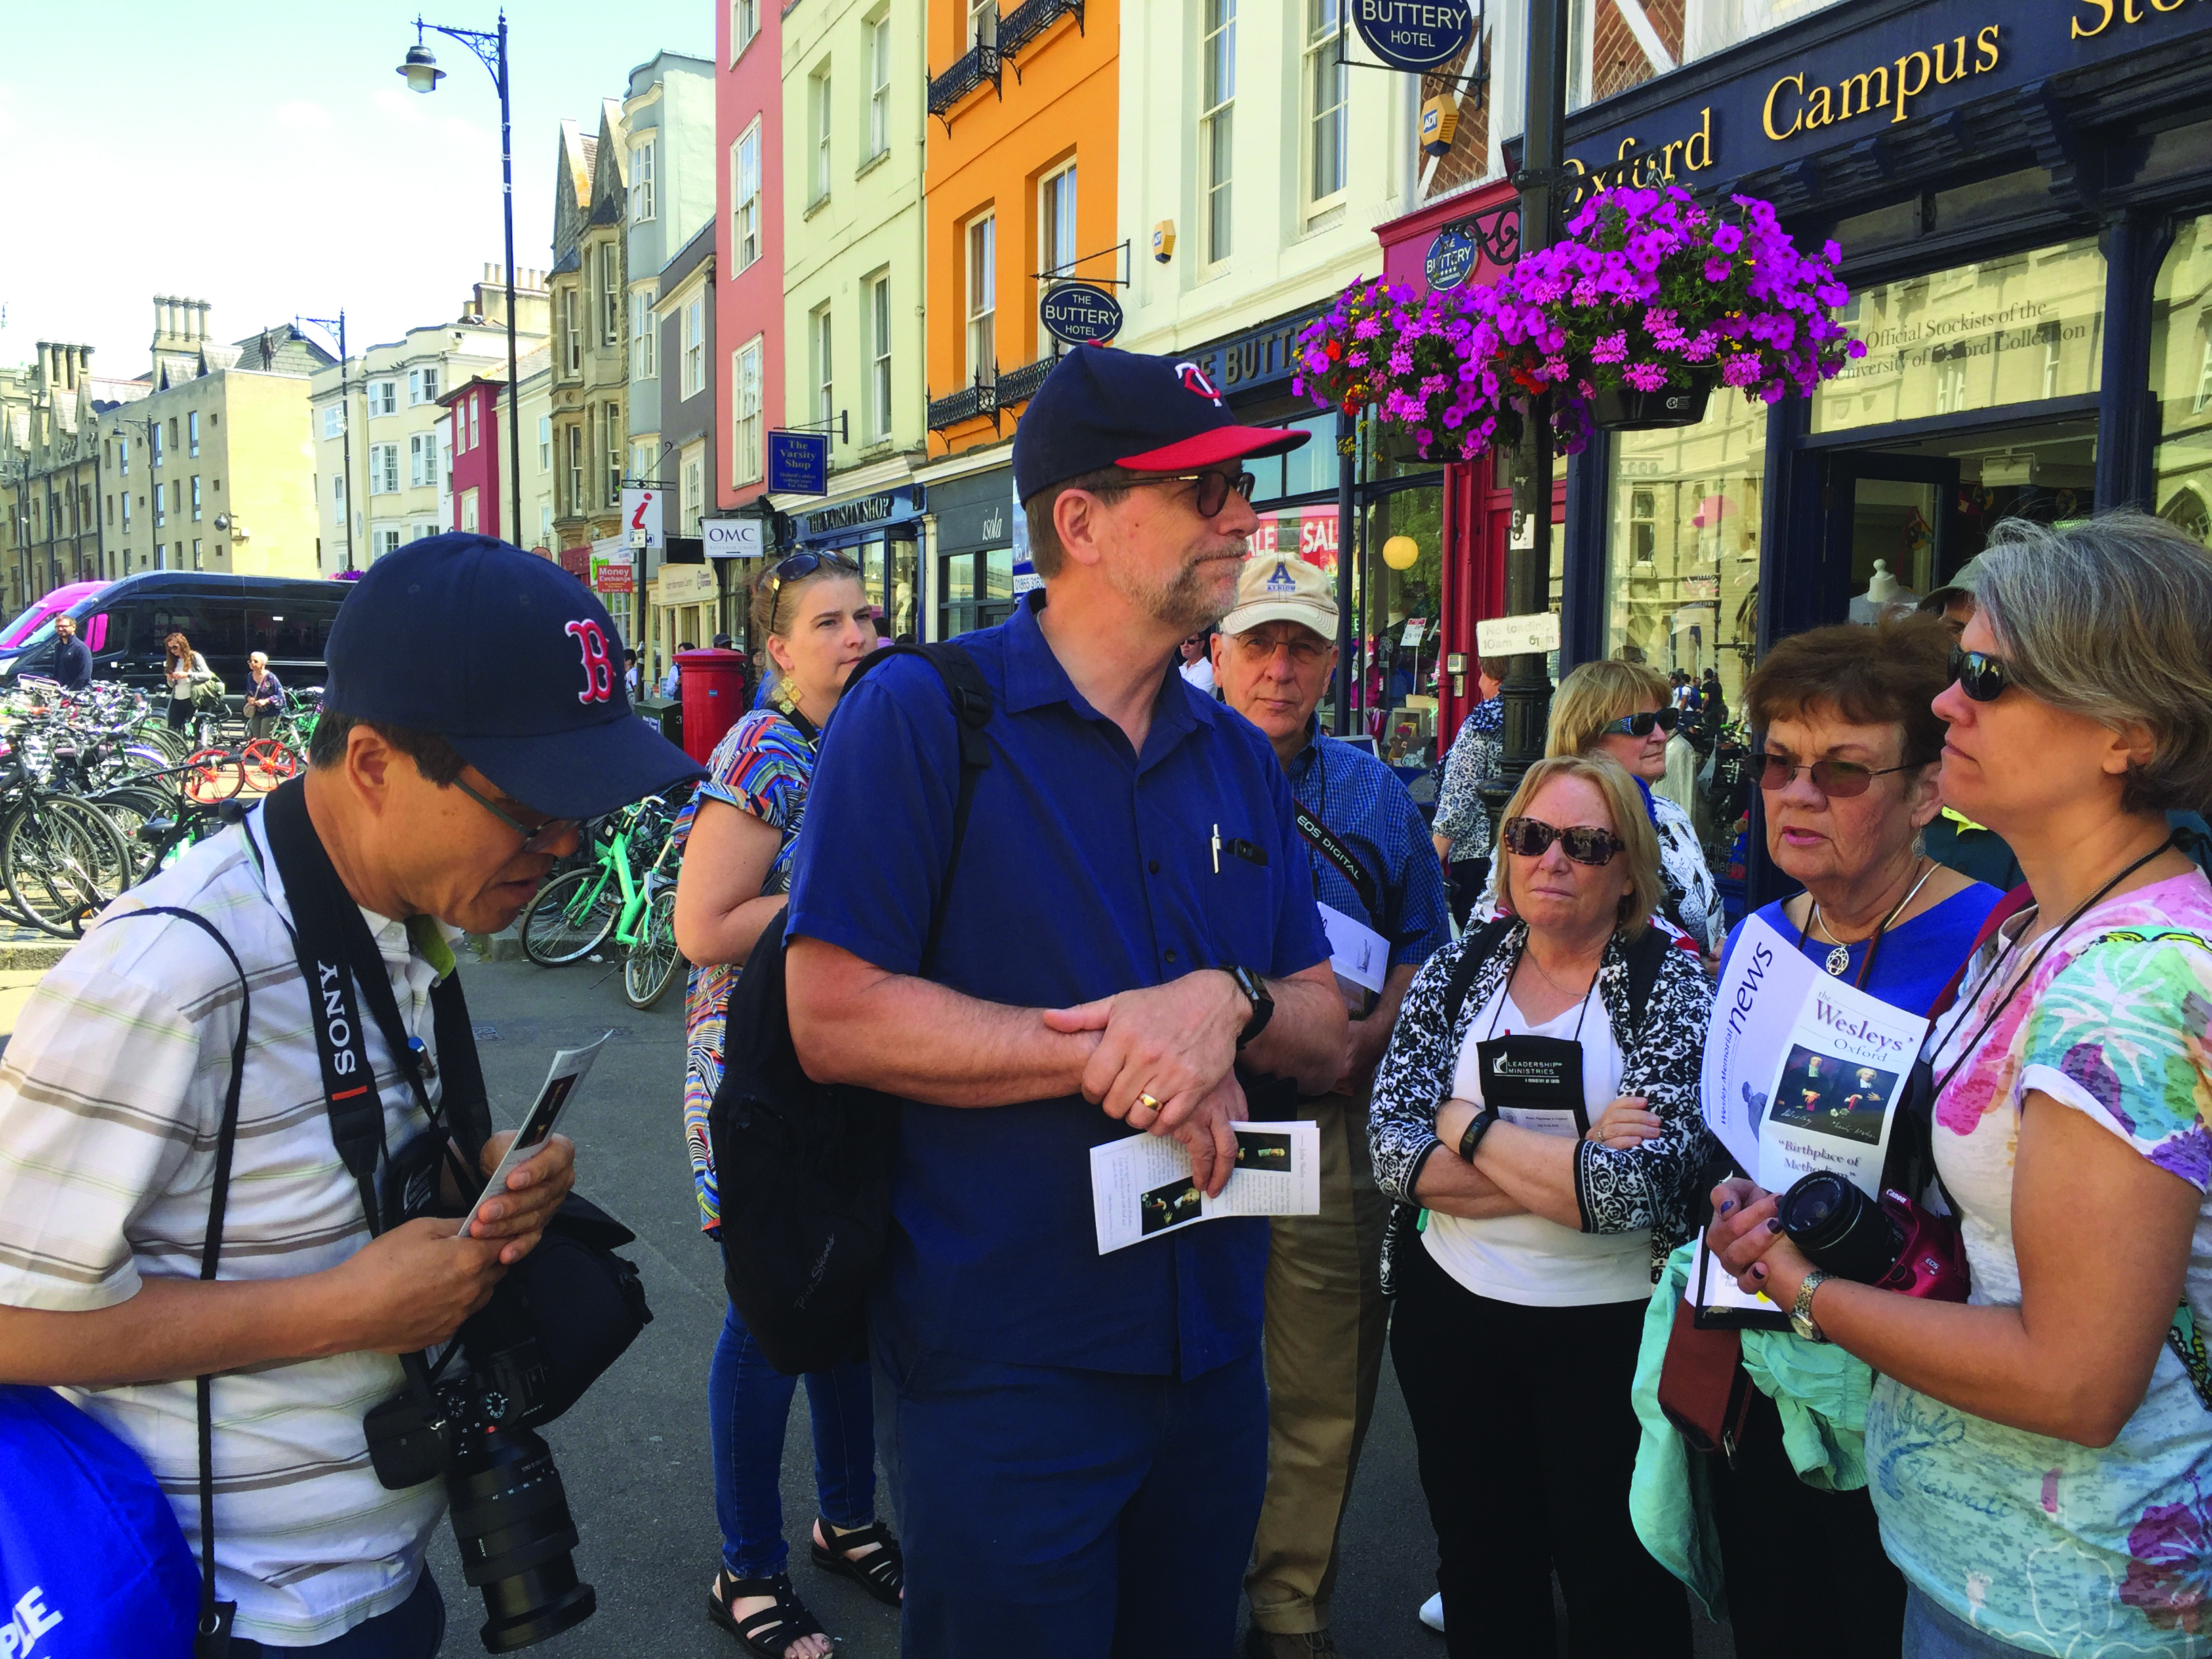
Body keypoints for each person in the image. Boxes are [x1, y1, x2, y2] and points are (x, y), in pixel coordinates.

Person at [0, 533, 700, 1655]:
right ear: (372, 763)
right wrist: (349, 1310)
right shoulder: (174, 973)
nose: (564, 845)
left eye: (586, 811)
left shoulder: (396, 912)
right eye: (530, 808)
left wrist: (475, 1173)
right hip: (221, 1609)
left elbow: (318, 1166)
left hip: (376, 1575)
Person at [780, 345, 1347, 1659]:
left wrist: (1227, 1003)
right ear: (1081, 524)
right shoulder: (923, 716)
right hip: (1004, 1366)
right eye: (1203, 491)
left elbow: (1324, 1026)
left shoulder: (1235, 757)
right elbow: (832, 1014)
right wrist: (1112, 1051)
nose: (1244, 518)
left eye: (1241, 489)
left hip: (1210, 1354)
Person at [1713, 512, 2212, 1658]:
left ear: (2123, 730)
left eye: (1983, 676)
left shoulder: (2127, 986)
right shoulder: (2035, 924)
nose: (1943, 706)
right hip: (1977, 1554)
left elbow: (2074, 1377)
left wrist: (1801, 1288)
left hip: (2072, 1592)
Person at [1370, 752, 1713, 1659]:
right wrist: (1574, 1163)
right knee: (1483, 1568)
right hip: (1455, 1321)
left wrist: (1464, 1126)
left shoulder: (1669, 988)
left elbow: (1631, 1194)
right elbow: (1390, 1154)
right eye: (1530, 837)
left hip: (1610, 1336)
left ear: (1630, 868)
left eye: (1586, 843)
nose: (1551, 860)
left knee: (1620, 1581)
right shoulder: (1458, 972)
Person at [1209, 554, 1450, 1659]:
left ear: (1328, 661)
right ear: (1212, 653)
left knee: (1318, 1373)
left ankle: (1285, 1606)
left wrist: (1362, 1039)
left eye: (1299, 645)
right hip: (1185, 1121)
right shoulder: (1161, 771)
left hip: (1323, 1120)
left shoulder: (1366, 794)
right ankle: (1177, 1579)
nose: (1277, 666)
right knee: (1171, 1352)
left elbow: (1420, 944)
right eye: (1256, 642)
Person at [670, 551, 897, 1659]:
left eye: (868, 615)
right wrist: (837, 896)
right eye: (830, 621)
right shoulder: (764, 750)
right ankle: (745, 1565)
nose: (857, 635)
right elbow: (702, 925)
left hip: (847, 1063)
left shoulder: (868, 739)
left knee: (848, 1286)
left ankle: (845, 1518)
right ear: (777, 648)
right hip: (758, 1082)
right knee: (767, 1314)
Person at [1530, 659, 1725, 955]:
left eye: (1666, 719)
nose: (1660, 735)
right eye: (1642, 724)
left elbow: (1709, 920)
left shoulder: (1671, 815)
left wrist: (1722, 953)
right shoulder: (1541, 830)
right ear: (1586, 737)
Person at [1430, 655, 1506, 927]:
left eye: (1482, 676)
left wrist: (1433, 856)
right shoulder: (1546, 717)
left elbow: (1460, 795)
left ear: (1494, 677)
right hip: (1522, 849)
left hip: (1478, 856)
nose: (1480, 684)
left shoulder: (1482, 723)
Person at [163, 628, 213, 731]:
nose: (173, 651)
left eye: (175, 647)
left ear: (182, 644)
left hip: (193, 698)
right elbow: (172, 685)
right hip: (177, 698)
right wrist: (170, 679)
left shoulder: (194, 657)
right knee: (173, 728)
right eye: (170, 649)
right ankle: (176, 747)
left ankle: (199, 747)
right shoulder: (173, 661)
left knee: (197, 729)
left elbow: (207, 675)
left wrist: (187, 675)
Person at [243, 651, 287, 739]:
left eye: (255, 661)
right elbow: (248, 692)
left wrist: (265, 701)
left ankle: (268, 753)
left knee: (265, 738)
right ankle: (258, 754)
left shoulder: (270, 677)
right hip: (256, 712)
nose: (252, 663)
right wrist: (249, 698)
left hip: (271, 712)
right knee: (255, 739)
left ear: (263, 664)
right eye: (250, 661)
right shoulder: (250, 676)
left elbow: (280, 695)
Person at [52, 613, 91, 691]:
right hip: (62, 691)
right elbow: (57, 671)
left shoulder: (81, 648)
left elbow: (85, 674)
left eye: (63, 626)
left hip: (78, 693)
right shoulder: (59, 647)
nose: (60, 629)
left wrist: (71, 691)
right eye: (58, 627)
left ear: (73, 628)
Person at [1178, 626, 1217, 695]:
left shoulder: (1208, 669)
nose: (1185, 645)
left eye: (1191, 642)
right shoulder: (1180, 670)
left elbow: (1195, 698)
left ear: (1202, 644)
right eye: (1182, 642)